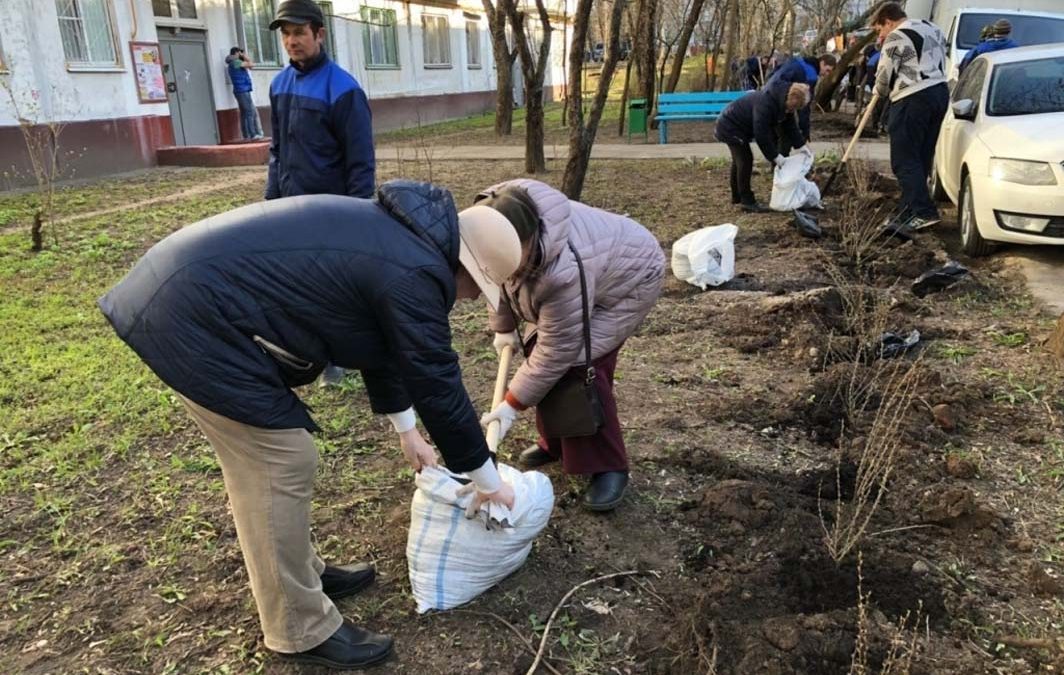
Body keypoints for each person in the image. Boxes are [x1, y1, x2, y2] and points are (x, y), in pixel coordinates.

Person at [97, 181, 520, 669]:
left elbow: (385, 348)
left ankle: (299, 572)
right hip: (190, 317)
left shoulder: (401, 240)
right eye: (476, 290)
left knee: (269, 463)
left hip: (183, 296)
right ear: (467, 267)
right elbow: (436, 381)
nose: (469, 300)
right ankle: (298, 628)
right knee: (280, 461)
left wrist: (408, 432)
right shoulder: (415, 270)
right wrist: (487, 480)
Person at [474, 180, 665, 511]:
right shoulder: (492, 217)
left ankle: (609, 466)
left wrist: (511, 404)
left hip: (630, 279)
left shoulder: (563, 269)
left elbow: (558, 351)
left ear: (530, 241)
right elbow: (497, 275)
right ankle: (557, 441)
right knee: (541, 355)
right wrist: (503, 326)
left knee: (580, 366)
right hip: (589, 270)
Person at [265, 0, 375, 200]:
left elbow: (361, 160)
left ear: (320, 35)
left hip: (328, 209)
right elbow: (277, 150)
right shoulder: (279, 85)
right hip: (288, 205)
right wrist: (271, 198)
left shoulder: (343, 89)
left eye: (299, 32)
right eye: (285, 33)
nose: (291, 41)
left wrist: (358, 216)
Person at [871, 2, 949, 231]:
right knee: (921, 156)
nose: (881, 35)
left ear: (888, 20)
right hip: (939, 93)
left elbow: (884, 75)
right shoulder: (932, 28)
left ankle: (924, 211)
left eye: (879, 30)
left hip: (912, 96)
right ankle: (908, 210)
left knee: (904, 159)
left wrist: (878, 91)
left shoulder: (896, 36)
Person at [715, 80, 813, 212]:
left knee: (739, 161)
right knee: (745, 160)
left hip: (737, 126)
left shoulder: (782, 102)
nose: (792, 111)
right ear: (791, 99)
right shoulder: (766, 104)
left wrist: (801, 146)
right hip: (730, 126)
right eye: (793, 108)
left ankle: (737, 196)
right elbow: (762, 135)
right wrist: (775, 156)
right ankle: (747, 201)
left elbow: (790, 127)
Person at [766, 53, 837, 154]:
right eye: (827, 70)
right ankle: (781, 166)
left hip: (768, 95)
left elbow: (775, 73)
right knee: (786, 137)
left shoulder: (798, 61)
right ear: (822, 63)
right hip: (779, 100)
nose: (826, 74)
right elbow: (804, 105)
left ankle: (776, 164)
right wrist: (805, 131)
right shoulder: (811, 75)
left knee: (777, 135)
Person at [225, 47, 263, 140]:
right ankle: (253, 134)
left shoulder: (233, 63)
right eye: (240, 53)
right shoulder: (235, 62)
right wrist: (245, 56)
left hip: (240, 90)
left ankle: (246, 135)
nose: (241, 54)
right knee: (249, 112)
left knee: (244, 113)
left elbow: (250, 67)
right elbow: (251, 64)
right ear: (236, 53)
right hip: (242, 90)